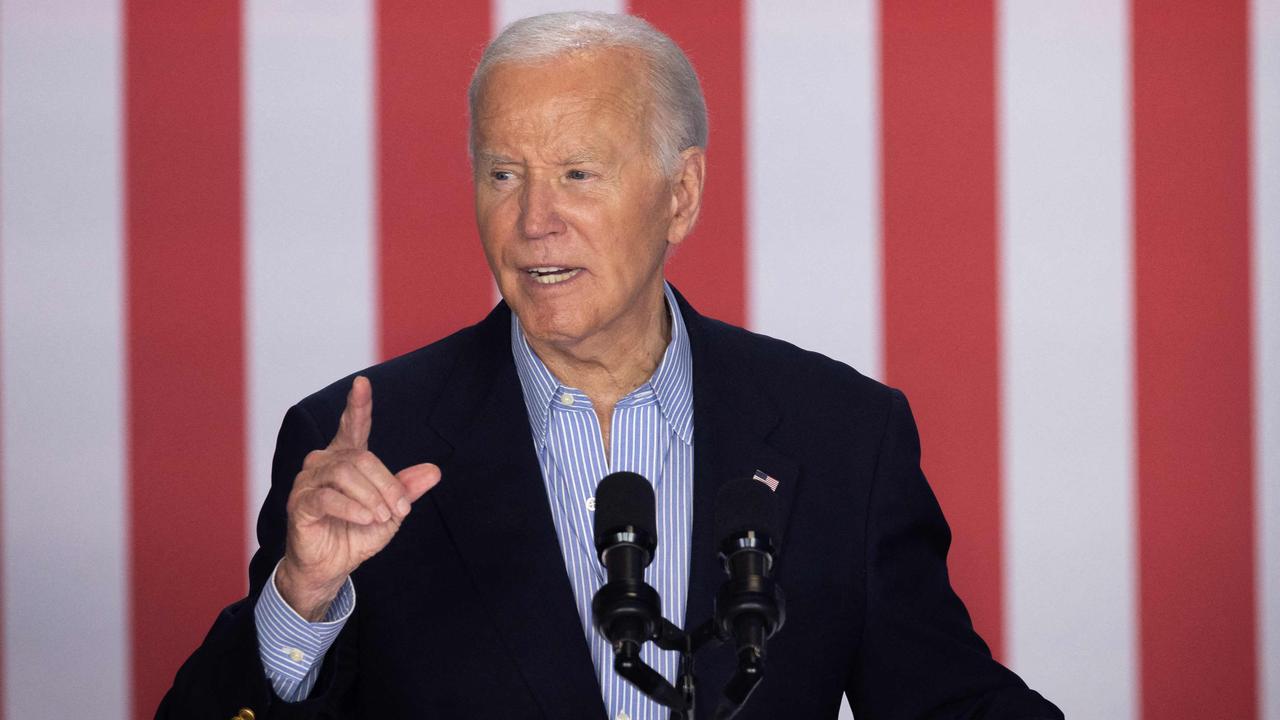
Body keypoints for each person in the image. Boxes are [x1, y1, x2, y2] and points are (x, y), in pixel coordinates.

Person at [159, 12, 1062, 720]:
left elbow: (948, 703)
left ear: (682, 193)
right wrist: (302, 597)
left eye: (578, 174)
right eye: (503, 174)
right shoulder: (358, 445)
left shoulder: (841, 435)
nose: (534, 220)